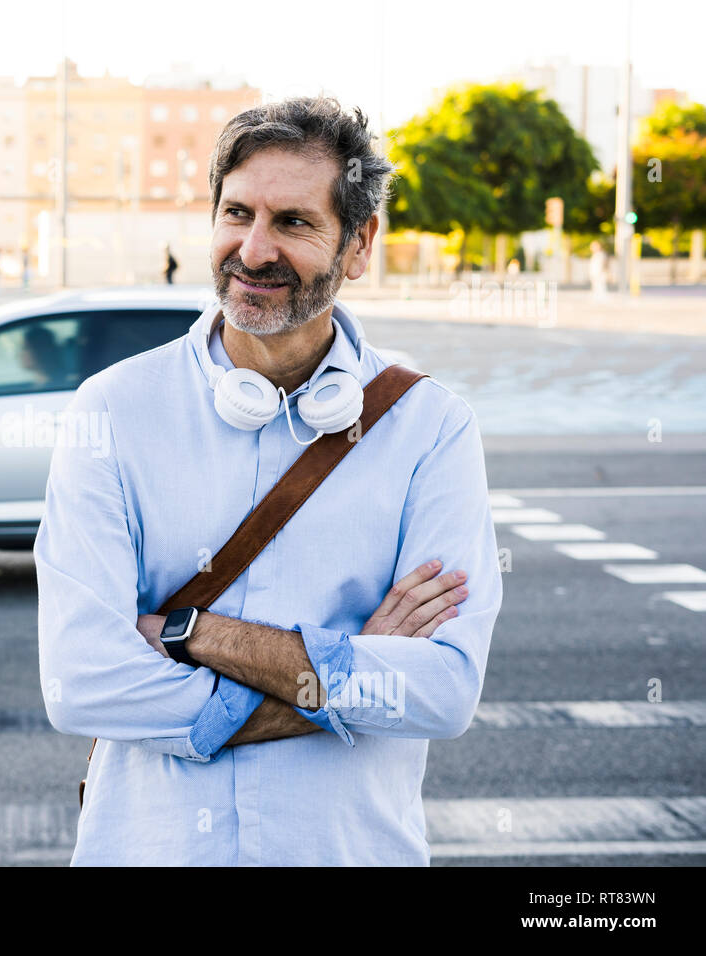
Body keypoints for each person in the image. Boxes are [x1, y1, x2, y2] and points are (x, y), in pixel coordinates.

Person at [36, 96, 502, 866]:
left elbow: (444, 691)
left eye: (292, 222)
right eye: (236, 213)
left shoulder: (431, 428)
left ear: (358, 245)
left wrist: (189, 635)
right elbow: (82, 684)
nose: (252, 251)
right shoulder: (113, 410)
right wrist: (347, 670)